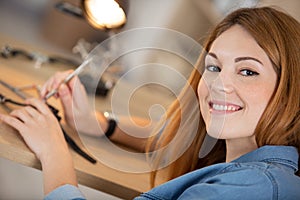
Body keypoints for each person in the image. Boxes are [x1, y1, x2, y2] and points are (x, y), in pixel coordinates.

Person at [0, 6, 299, 199]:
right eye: (213, 67)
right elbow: (174, 134)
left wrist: (53, 151)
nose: (220, 85)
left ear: (290, 89)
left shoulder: (248, 189)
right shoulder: (253, 158)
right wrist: (100, 123)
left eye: (248, 71)